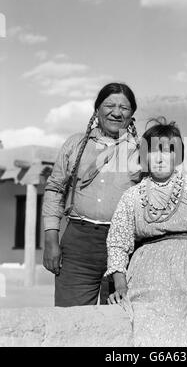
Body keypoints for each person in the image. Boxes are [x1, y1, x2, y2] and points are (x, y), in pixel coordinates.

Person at [105, 118, 187, 347]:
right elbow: (118, 242)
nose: (161, 157)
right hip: (147, 278)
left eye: (169, 150)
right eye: (154, 151)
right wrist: (121, 284)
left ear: (179, 156)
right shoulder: (132, 196)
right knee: (148, 332)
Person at [42, 82, 141, 307]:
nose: (116, 112)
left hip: (125, 246)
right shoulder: (76, 144)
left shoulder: (140, 150)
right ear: (97, 110)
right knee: (71, 322)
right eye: (109, 105)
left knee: (119, 323)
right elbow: (55, 189)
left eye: (124, 108)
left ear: (132, 114)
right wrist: (51, 239)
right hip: (78, 244)